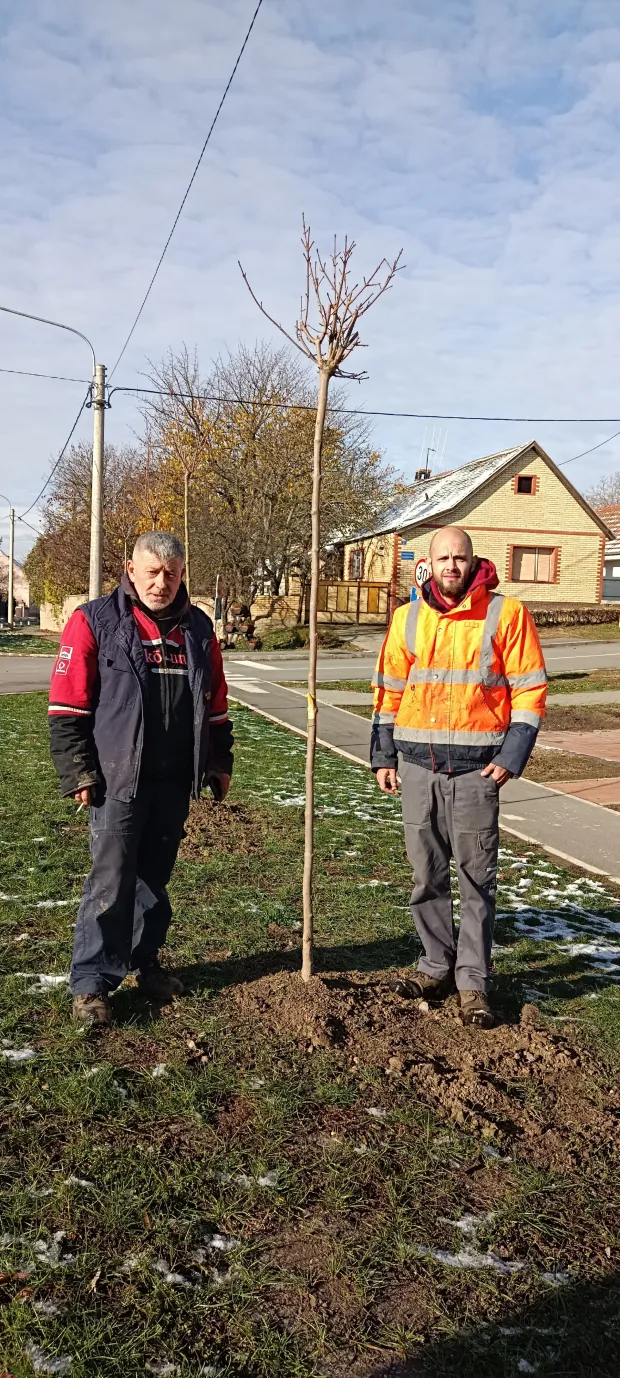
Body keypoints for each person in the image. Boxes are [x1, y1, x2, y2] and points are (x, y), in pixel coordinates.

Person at [48, 531, 233, 1029]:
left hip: (174, 781)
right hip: (116, 781)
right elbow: (67, 707)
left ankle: (143, 962)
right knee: (111, 880)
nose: (161, 582)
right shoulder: (94, 621)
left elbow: (215, 703)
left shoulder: (197, 629)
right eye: (151, 571)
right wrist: (79, 770)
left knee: (154, 879)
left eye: (171, 574)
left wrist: (218, 762)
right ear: (131, 570)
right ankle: (91, 983)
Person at [371, 526, 547, 1027]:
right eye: (443, 557)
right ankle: (435, 965)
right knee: (426, 876)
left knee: (475, 881)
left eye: (461, 557)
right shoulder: (407, 619)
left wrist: (512, 755)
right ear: (428, 564)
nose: (452, 565)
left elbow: (531, 690)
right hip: (418, 770)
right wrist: (383, 755)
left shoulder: (505, 614)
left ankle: (472, 981)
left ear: (474, 562)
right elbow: (388, 692)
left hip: (476, 775)